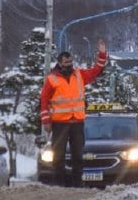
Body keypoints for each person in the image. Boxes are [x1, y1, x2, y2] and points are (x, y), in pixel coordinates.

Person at [40, 39, 108, 187]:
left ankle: (78, 185)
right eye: (66, 63)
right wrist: (46, 121)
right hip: (60, 124)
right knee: (58, 157)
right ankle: (59, 185)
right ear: (59, 63)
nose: (69, 65)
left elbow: (97, 70)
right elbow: (44, 100)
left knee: (78, 155)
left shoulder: (79, 75)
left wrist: (102, 54)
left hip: (77, 122)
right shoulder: (52, 79)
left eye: (70, 62)